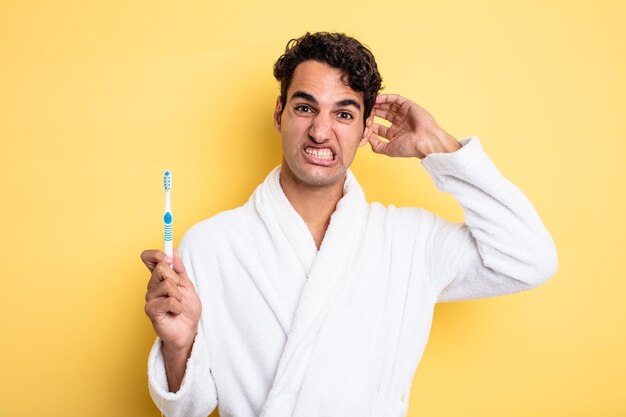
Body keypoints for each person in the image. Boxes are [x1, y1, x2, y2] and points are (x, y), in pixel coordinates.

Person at [141, 32, 557, 417]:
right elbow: (189, 408)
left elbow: (529, 259)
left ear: (364, 129)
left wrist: (439, 147)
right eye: (305, 108)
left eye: (343, 114)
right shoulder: (212, 245)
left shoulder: (410, 242)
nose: (320, 132)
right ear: (279, 114)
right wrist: (179, 345)